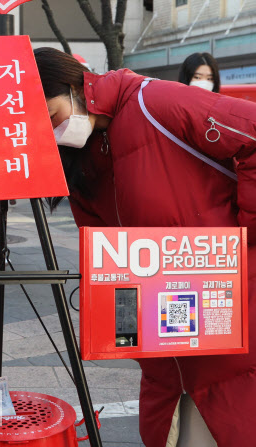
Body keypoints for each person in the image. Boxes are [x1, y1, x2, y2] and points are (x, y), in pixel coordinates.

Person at [35, 47, 256, 447]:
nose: (53, 132)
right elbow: (107, 249)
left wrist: (246, 234)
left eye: (51, 117)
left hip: (230, 318)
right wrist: (122, 322)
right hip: (165, 345)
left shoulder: (155, 101)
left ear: (73, 85)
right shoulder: (80, 158)